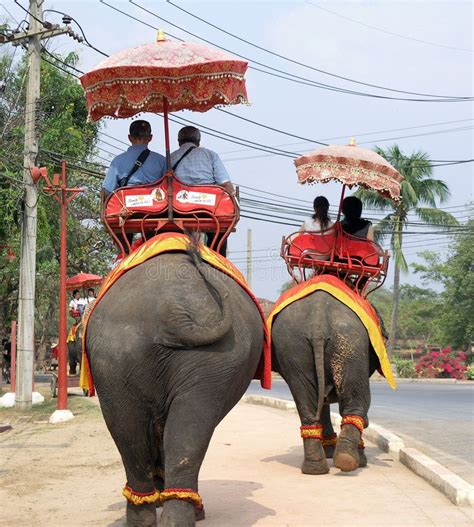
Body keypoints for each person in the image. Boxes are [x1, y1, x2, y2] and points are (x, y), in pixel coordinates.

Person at [170, 126, 236, 256]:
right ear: (198, 141)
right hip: (208, 211)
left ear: (179, 142)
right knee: (220, 230)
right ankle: (218, 258)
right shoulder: (211, 156)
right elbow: (226, 186)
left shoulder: (170, 158)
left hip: (178, 211)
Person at [102, 120, 166, 197]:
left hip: (126, 206)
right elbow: (168, 186)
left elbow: (107, 191)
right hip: (156, 206)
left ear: (129, 137)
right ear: (150, 138)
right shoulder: (162, 161)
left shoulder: (118, 161)